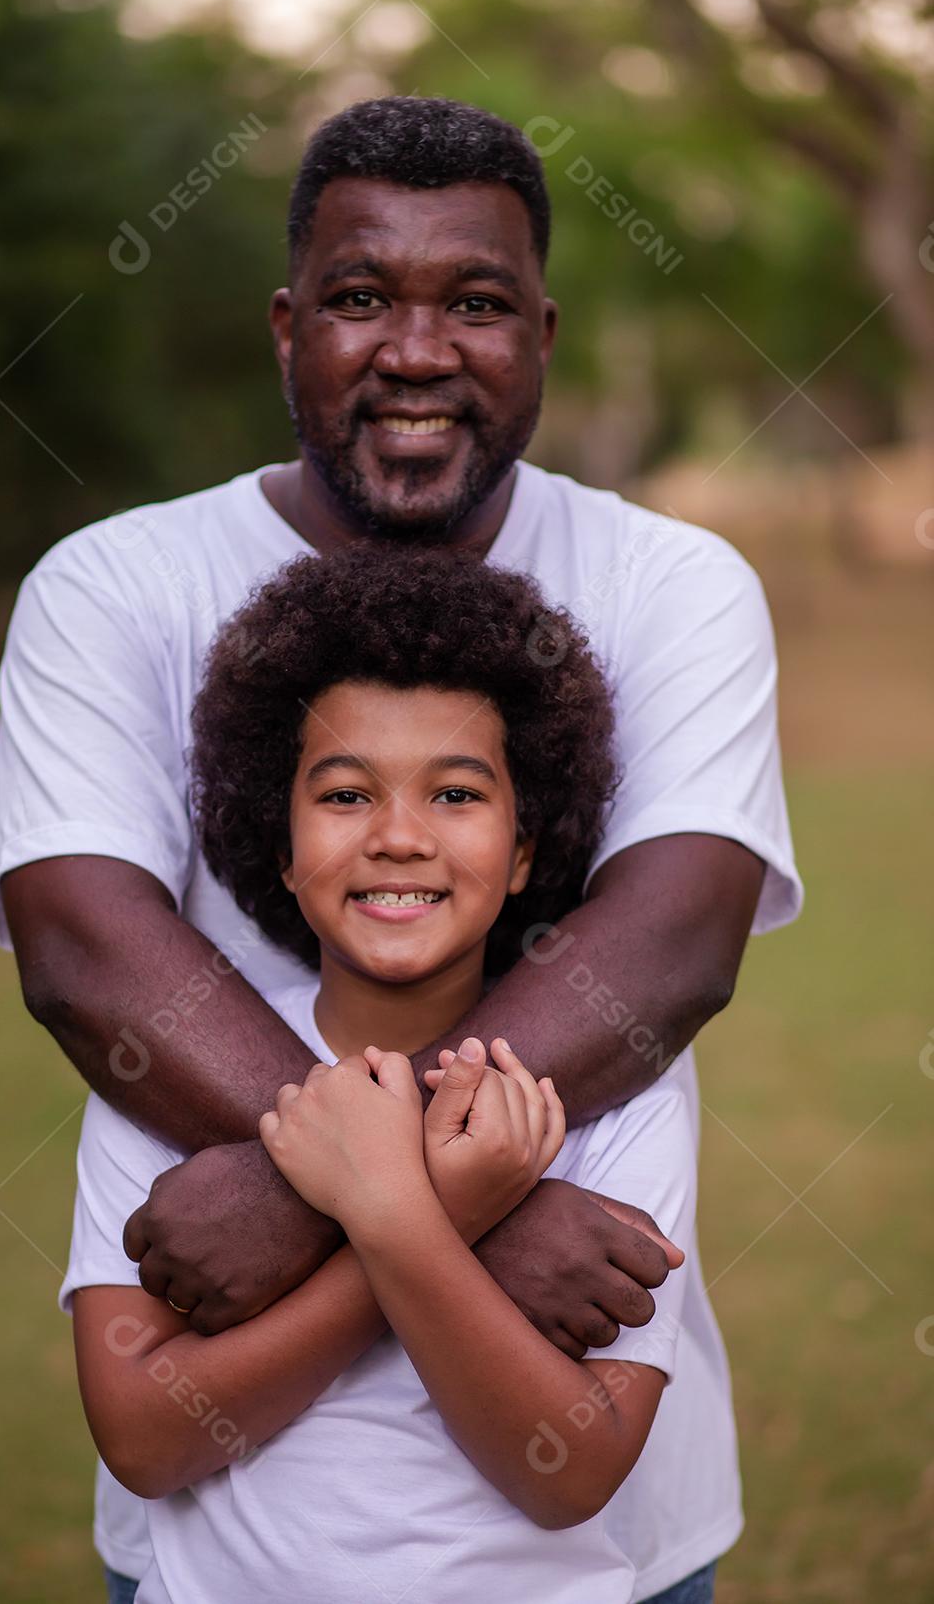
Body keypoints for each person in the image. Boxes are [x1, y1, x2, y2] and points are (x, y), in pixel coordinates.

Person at [0, 96, 802, 1602]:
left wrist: (330, 1185)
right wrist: (462, 1192)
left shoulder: (676, 585)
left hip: (592, 1550)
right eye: (362, 298)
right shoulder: (112, 587)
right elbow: (87, 954)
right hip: (228, 1543)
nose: (417, 353)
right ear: (289, 328)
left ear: (544, 335)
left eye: (477, 305)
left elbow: (675, 947)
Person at [63, 545, 697, 1604]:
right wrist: (438, 1205)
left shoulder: (622, 1098)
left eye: (455, 793)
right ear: (279, 839)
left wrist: (388, 1209)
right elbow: (143, 1440)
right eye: (347, 794)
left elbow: (573, 1471)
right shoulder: (161, 1078)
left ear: (527, 846)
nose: (400, 838)